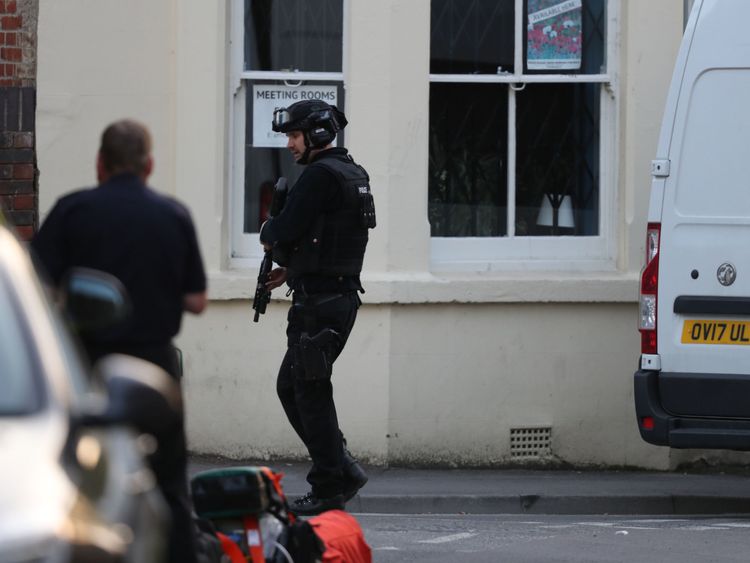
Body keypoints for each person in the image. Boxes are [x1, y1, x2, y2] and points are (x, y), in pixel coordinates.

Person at [32, 119, 207, 563]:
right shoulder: (173, 214)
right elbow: (197, 299)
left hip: (88, 369)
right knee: (169, 487)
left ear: (99, 163)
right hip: (155, 370)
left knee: (76, 484)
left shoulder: (73, 210)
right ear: (148, 165)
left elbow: (38, 289)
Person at [260, 100, 375, 516]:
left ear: (319, 134)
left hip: (320, 307)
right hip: (337, 299)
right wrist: (290, 272)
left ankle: (331, 482)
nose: (290, 145)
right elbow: (328, 241)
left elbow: (285, 229)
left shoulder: (319, 176)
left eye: (294, 135)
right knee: (297, 388)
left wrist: (268, 232)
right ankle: (339, 467)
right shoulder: (352, 173)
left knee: (307, 391)